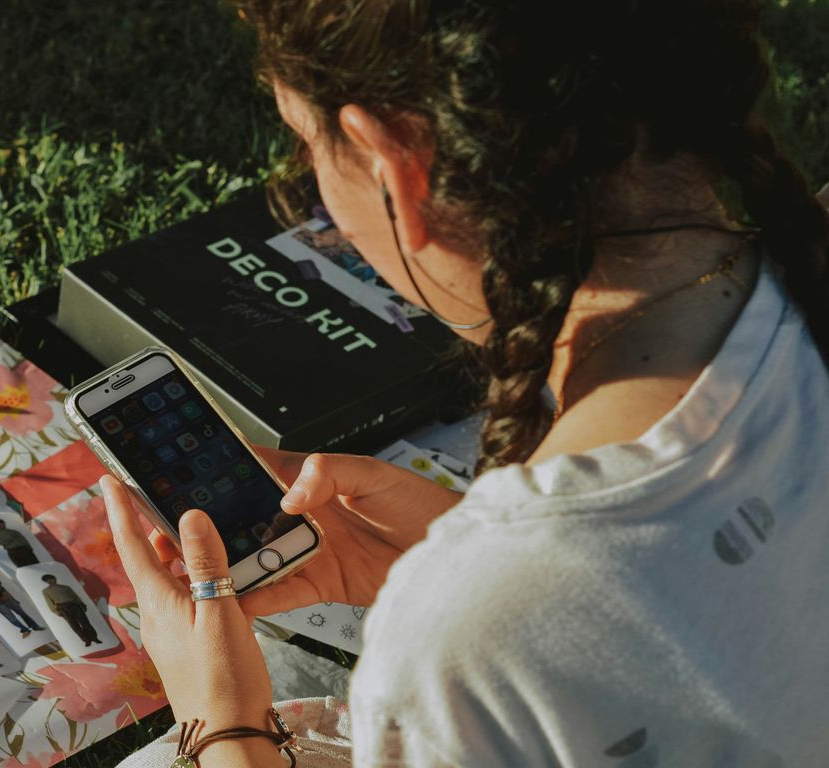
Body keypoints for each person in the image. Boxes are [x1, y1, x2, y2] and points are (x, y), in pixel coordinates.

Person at [105, 1, 829, 766]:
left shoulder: (464, 646)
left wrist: (220, 726)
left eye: (303, 147)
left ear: (398, 170)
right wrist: (468, 563)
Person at [40, 574, 100, 646]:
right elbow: (49, 602)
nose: (51, 581)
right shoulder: (46, 591)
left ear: (55, 578)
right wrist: (55, 611)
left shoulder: (66, 587)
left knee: (85, 622)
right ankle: (86, 640)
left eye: (52, 579)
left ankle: (94, 638)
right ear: (46, 581)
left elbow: (75, 596)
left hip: (74, 605)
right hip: (62, 608)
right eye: (48, 580)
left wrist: (82, 604)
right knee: (74, 625)